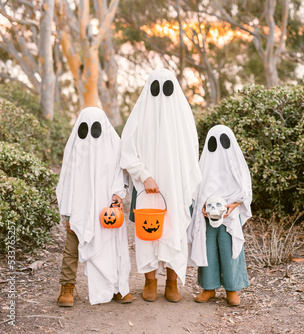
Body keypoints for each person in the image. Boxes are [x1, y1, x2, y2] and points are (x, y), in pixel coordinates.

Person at [120, 68, 202, 302]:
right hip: (146, 187)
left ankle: (172, 282)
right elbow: (127, 150)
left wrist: (181, 183)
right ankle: (150, 280)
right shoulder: (139, 116)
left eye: (167, 89)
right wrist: (144, 175)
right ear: (148, 89)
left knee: (175, 230)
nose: (161, 96)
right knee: (147, 232)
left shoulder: (183, 117)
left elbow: (190, 155)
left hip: (175, 187)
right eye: (156, 89)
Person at [56, 107, 131, 306]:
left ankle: (117, 286)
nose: (89, 134)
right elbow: (66, 181)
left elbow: (121, 174)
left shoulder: (114, 146)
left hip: (106, 209)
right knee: (71, 248)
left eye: (95, 128)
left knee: (113, 247)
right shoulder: (75, 150)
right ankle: (67, 286)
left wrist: (118, 194)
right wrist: (67, 213)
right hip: (78, 208)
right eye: (84, 128)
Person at [188, 125, 252, 306]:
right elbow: (196, 190)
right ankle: (209, 288)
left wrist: (233, 205)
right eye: (213, 142)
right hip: (207, 217)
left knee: (230, 249)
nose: (218, 147)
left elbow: (245, 191)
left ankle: (232, 289)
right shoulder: (204, 166)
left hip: (230, 216)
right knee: (208, 250)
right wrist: (201, 206)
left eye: (223, 141)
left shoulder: (236, 165)